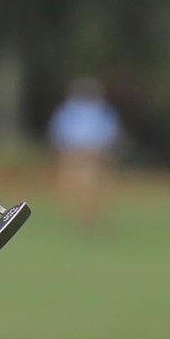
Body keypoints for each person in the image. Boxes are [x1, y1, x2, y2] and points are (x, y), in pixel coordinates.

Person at [47, 76, 121, 228]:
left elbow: (109, 133)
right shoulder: (69, 110)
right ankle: (75, 217)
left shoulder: (101, 110)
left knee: (94, 186)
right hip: (73, 153)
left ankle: (89, 217)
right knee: (72, 185)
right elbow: (60, 131)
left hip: (94, 154)